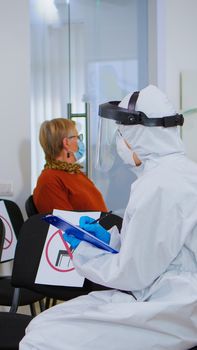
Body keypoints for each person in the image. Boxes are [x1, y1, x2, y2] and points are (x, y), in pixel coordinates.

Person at [20, 85, 197, 350]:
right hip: (164, 293)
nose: (119, 142)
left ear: (138, 133)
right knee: (42, 324)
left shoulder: (159, 185)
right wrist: (112, 242)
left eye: (121, 133)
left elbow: (132, 272)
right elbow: (158, 253)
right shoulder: (179, 172)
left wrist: (86, 252)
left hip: (172, 305)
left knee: (41, 338)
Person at [33, 118, 108, 213]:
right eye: (78, 137)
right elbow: (65, 224)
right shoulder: (49, 180)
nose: (80, 142)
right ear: (66, 143)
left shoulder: (75, 173)